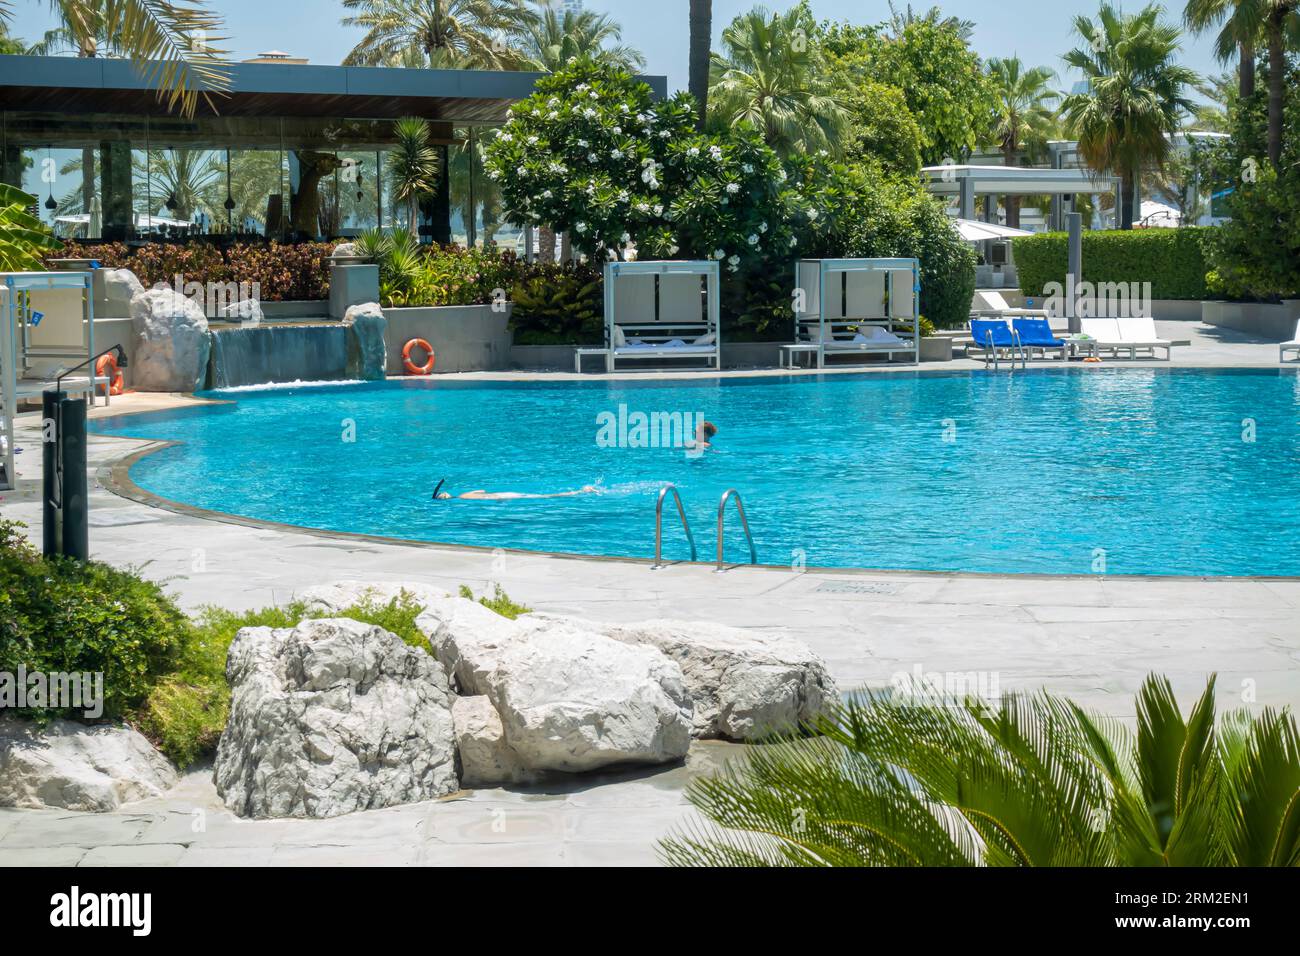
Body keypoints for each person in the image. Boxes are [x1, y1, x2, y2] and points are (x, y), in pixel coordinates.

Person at [433, 479, 599, 501]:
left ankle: (581, 491)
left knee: (544, 496)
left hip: (503, 497)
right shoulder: (464, 495)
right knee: (543, 495)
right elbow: (482, 490)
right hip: (505, 494)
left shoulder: (463, 499)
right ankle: (581, 491)